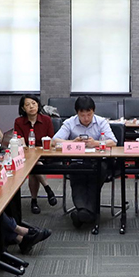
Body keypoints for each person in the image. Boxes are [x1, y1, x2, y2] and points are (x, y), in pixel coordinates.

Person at [53, 96, 117, 228]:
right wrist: (72, 142)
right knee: (77, 178)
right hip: (77, 161)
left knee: (95, 178)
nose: (86, 118)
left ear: (93, 111)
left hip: (98, 161)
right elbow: (55, 141)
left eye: (89, 114)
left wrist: (96, 143)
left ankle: (82, 213)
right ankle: (87, 213)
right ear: (77, 113)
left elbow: (113, 142)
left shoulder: (101, 122)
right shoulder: (70, 122)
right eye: (82, 115)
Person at [13, 94, 57, 214]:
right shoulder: (19, 122)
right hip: (28, 156)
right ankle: (47, 189)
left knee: (34, 167)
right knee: (34, 165)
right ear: (23, 108)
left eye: (34, 103)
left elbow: (51, 140)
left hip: (45, 155)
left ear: (38, 105)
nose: (31, 107)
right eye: (27, 105)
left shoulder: (46, 120)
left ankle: (34, 200)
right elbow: (21, 142)